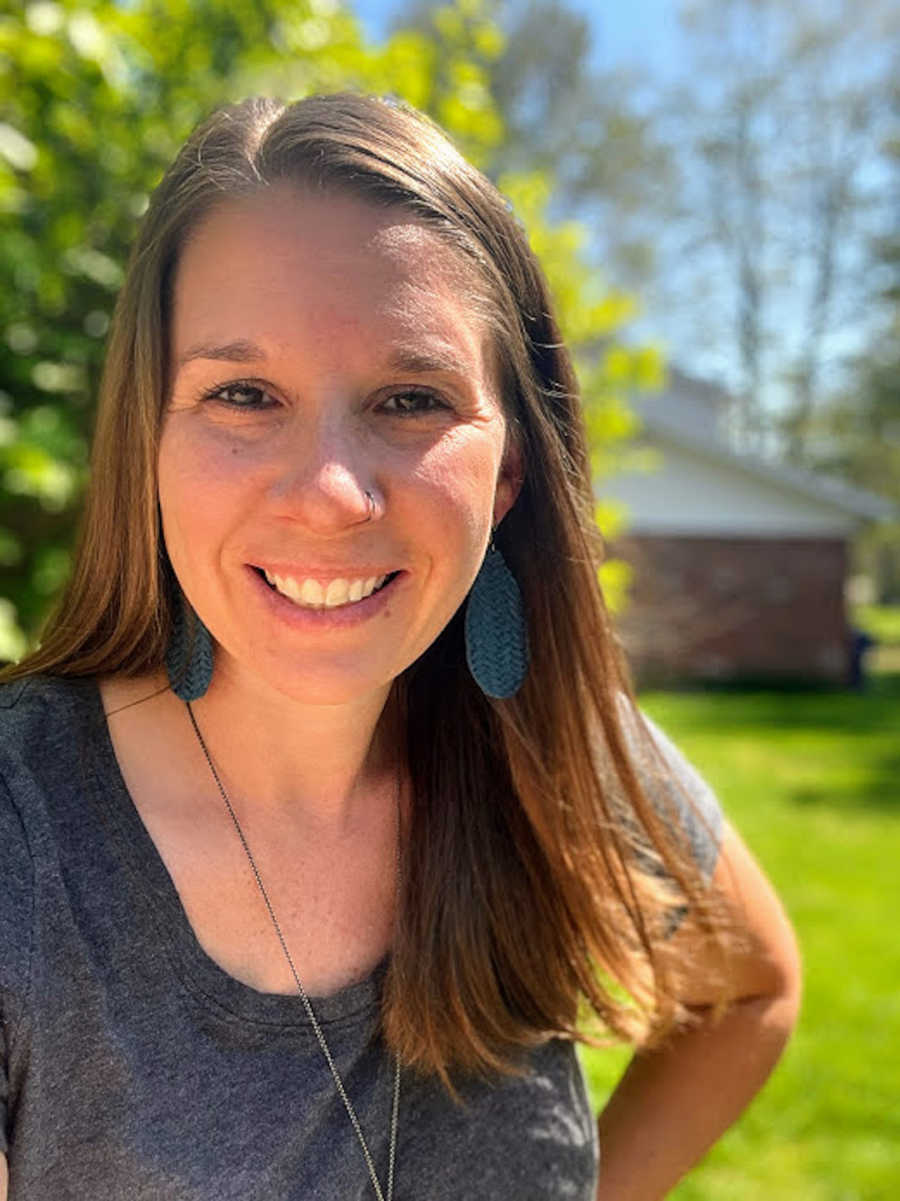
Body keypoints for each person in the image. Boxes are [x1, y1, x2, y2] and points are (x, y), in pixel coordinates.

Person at [0, 93, 801, 1201]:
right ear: (150, 444)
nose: (331, 493)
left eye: (410, 399)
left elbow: (750, 989)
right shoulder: (21, 836)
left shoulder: (552, 747)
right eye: (243, 393)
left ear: (509, 469)